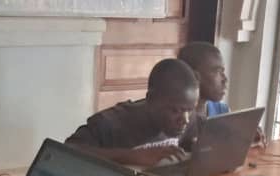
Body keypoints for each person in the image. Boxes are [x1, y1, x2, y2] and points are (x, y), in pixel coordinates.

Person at [66, 58, 198, 168]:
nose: (185, 120)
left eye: (190, 110)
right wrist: (131, 156)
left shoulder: (188, 120)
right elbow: (67, 151)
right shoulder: (111, 122)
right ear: (151, 99)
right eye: (175, 110)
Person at [177, 41, 267, 146]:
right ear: (195, 76)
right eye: (218, 72)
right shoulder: (176, 118)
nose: (225, 79)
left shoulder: (222, 111)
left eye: (223, 72)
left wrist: (246, 139)